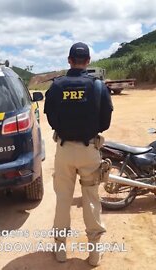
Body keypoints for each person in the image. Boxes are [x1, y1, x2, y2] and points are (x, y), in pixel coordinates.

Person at [44, 42, 113, 266]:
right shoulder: (98, 86)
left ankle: (61, 250)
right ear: (89, 61)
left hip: (64, 150)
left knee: (63, 199)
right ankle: (94, 254)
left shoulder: (56, 86)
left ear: (69, 60)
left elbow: (52, 119)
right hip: (89, 150)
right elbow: (105, 122)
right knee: (91, 200)